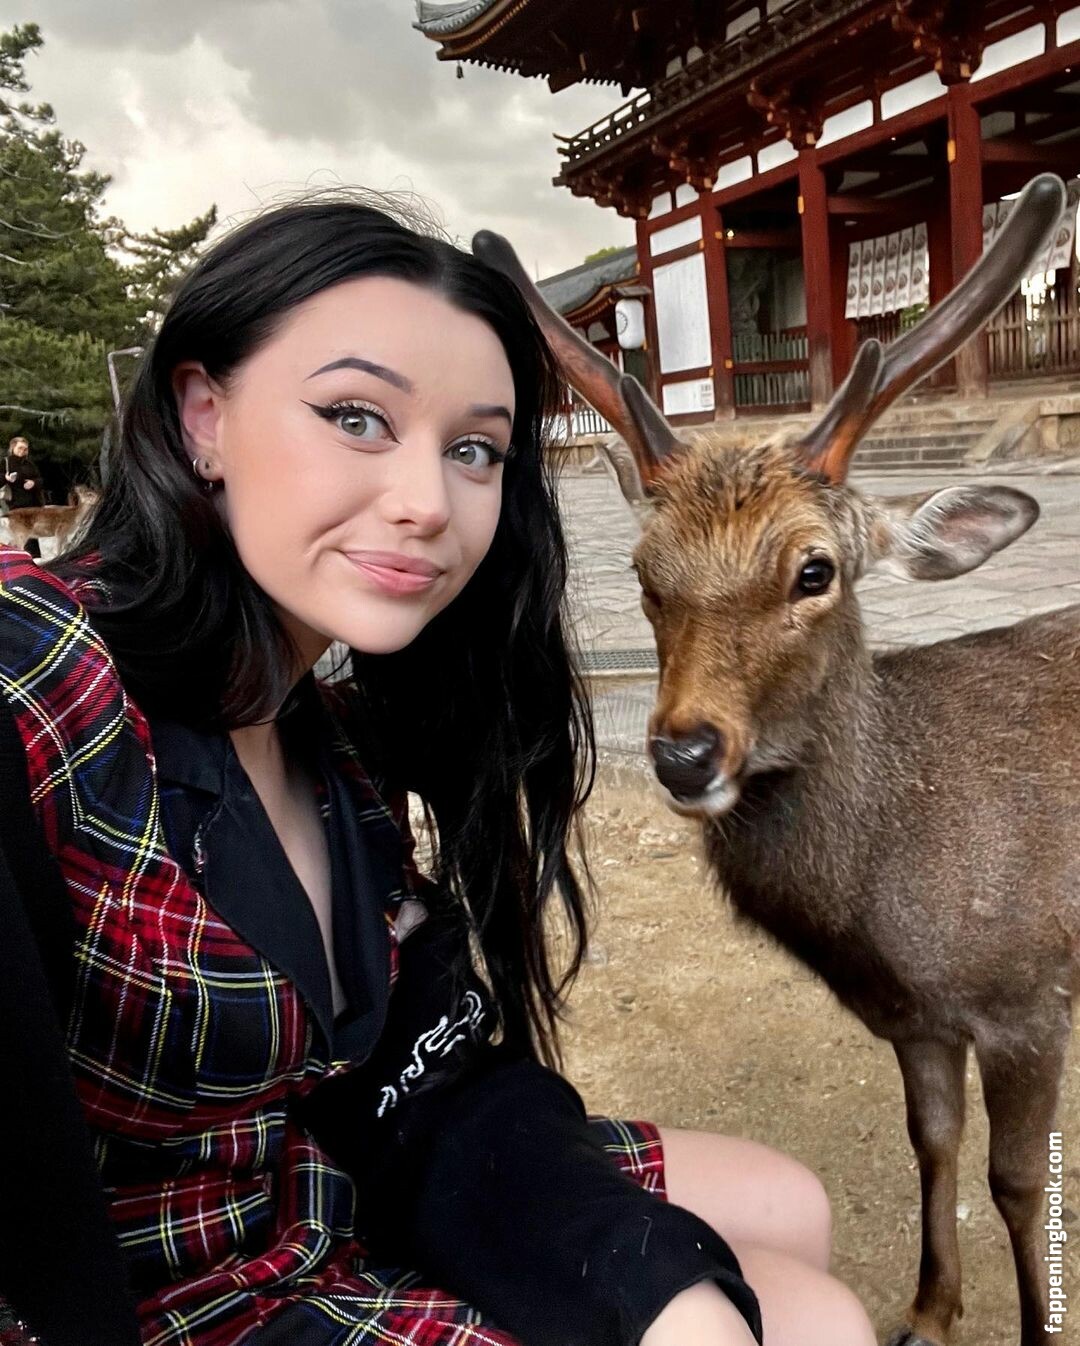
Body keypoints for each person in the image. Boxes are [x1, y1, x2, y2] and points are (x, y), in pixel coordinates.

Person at [0, 196, 877, 1346]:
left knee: (792, 1211)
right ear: (203, 415)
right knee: (808, 1322)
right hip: (145, 1297)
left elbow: (424, 1077)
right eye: (356, 416)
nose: (427, 504)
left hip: (326, 1174)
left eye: (474, 449)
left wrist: (645, 1282)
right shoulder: (41, 682)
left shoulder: (335, 739)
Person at [3, 434, 47, 556]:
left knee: (32, 533)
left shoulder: (29, 463)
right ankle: (21, 556)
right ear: (13, 448)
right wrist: (6, 478)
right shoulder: (5, 463)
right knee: (21, 532)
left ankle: (33, 557)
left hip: (33, 503)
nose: (22, 451)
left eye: (25, 449)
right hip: (16, 503)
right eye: (20, 448)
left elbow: (40, 479)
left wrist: (33, 483)